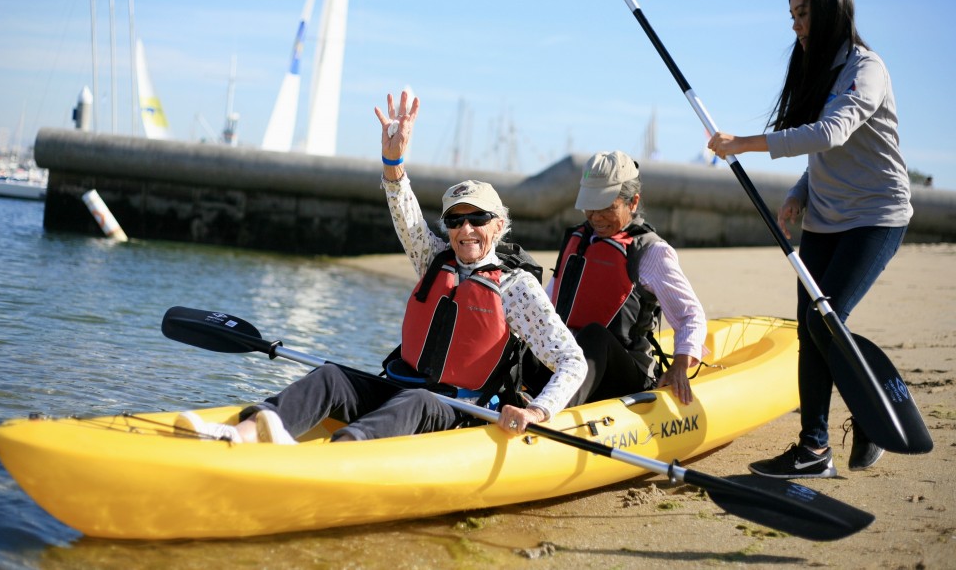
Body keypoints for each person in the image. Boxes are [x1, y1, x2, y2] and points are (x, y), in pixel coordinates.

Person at [175, 91, 587, 444]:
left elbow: (572, 361)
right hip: (400, 389)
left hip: (458, 411)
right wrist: (394, 160)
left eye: (477, 219)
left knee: (420, 400)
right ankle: (243, 434)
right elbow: (404, 213)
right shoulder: (433, 258)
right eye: (455, 221)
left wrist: (537, 411)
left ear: (498, 225)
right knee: (332, 376)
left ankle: (342, 453)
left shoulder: (516, 287)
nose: (466, 229)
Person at [707, 0, 912, 478]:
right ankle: (813, 448)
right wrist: (800, 193)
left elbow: (830, 134)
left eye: (803, 14)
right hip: (824, 217)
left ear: (831, 13)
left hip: (875, 216)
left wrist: (744, 143)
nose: (796, 25)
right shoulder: (814, 67)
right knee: (811, 328)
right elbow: (824, 157)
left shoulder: (867, 70)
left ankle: (870, 416)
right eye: (792, 15)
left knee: (829, 318)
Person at [527, 150, 707, 407]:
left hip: (622, 373)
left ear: (633, 202)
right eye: (589, 206)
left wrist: (680, 365)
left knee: (594, 336)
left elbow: (691, 316)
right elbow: (546, 304)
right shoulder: (577, 241)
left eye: (606, 208)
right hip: (565, 364)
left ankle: (546, 410)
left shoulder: (652, 252)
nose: (596, 217)